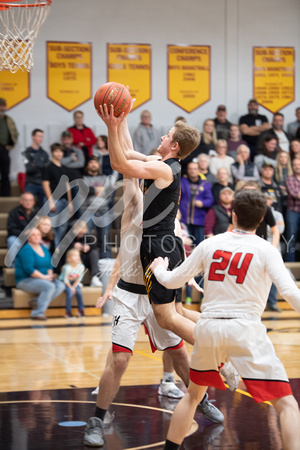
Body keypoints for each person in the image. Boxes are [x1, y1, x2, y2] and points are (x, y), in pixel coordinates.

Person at [83, 116, 227, 447]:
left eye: (166, 136)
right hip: (130, 293)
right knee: (120, 358)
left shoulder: (163, 197)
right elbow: (126, 156)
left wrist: (116, 123)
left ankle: (200, 398)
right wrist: (120, 120)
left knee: (178, 353)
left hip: (155, 285)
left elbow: (126, 155)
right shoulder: (136, 198)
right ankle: (98, 416)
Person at [150, 189, 300, 450]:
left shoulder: (210, 244)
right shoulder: (267, 250)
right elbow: (289, 292)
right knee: (287, 405)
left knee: (193, 396)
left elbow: (174, 279)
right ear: (263, 218)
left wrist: (160, 270)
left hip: (209, 329)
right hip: (245, 329)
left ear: (233, 215)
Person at [15, 228, 65, 320]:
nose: (36, 237)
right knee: (49, 286)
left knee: (61, 285)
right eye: (33, 235)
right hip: (25, 280)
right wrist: (45, 278)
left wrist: (49, 276)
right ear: (29, 237)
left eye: (38, 234)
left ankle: (36, 301)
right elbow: (28, 269)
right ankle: (37, 313)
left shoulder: (44, 249)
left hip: (42, 279)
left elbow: (49, 266)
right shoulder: (26, 249)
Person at [81, 156, 117, 259]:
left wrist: (93, 190)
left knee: (105, 240)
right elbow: (85, 191)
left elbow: (109, 193)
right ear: (87, 166)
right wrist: (99, 189)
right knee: (86, 239)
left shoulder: (105, 177)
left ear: (98, 165)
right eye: (91, 163)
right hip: (88, 211)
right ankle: (87, 264)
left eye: (95, 163)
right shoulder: (83, 178)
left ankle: (104, 266)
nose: (93, 164)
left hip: (104, 211)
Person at [41, 143, 73, 248]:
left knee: (62, 226)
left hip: (64, 201)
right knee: (52, 227)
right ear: (52, 152)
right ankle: (51, 250)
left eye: (60, 151)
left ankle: (57, 249)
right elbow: (45, 184)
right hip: (54, 200)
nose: (59, 154)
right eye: (56, 151)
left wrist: (70, 202)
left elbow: (67, 185)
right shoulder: (48, 167)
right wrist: (50, 201)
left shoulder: (64, 168)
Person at [179, 161, 214, 246]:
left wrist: (202, 203)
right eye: (190, 169)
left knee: (199, 246)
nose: (192, 171)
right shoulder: (181, 181)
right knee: (185, 246)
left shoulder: (205, 184)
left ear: (199, 170)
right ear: (187, 170)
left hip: (199, 220)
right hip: (183, 219)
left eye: (195, 169)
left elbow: (210, 200)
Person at [23, 129, 49, 207]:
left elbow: (46, 169)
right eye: (39, 136)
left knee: (46, 205)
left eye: (42, 136)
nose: (41, 138)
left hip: (42, 183)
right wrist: (40, 164)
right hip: (31, 183)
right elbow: (29, 169)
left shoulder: (44, 153)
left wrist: (35, 164)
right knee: (27, 202)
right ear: (33, 137)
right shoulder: (27, 152)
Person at [0, 97, 19, 196]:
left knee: (5, 174)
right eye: (0, 106)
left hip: (4, 150)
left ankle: (5, 195)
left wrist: (11, 145)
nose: (2, 108)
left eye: (3, 106)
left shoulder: (9, 120)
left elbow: (15, 133)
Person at [59, 248, 85, 318]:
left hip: (74, 282)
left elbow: (79, 278)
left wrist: (74, 287)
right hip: (65, 282)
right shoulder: (67, 268)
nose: (78, 257)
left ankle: (81, 310)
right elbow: (65, 280)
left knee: (79, 292)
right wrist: (71, 288)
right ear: (69, 258)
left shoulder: (81, 267)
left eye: (78, 255)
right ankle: (68, 312)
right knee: (70, 293)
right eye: (75, 256)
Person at [285, 158, 300, 262]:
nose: (297, 166)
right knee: (290, 239)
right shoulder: (289, 179)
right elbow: (296, 195)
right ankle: (290, 267)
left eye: (299, 164)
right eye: (295, 165)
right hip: (293, 212)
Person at [274, 152, 293, 219]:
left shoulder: (292, 170)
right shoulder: (274, 170)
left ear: (288, 159)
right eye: (281, 157)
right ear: (278, 158)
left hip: (290, 197)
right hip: (278, 196)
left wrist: (287, 188)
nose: (283, 159)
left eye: (285, 157)